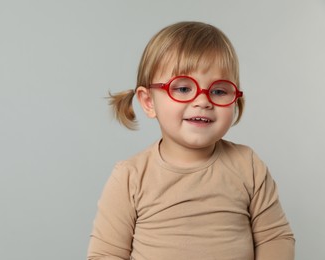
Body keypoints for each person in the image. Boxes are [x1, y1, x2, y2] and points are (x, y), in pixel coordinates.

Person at [87, 21, 295, 260]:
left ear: (235, 101)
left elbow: (275, 238)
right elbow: (106, 254)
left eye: (218, 91)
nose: (203, 101)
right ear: (148, 102)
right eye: (184, 88)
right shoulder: (130, 176)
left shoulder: (247, 165)